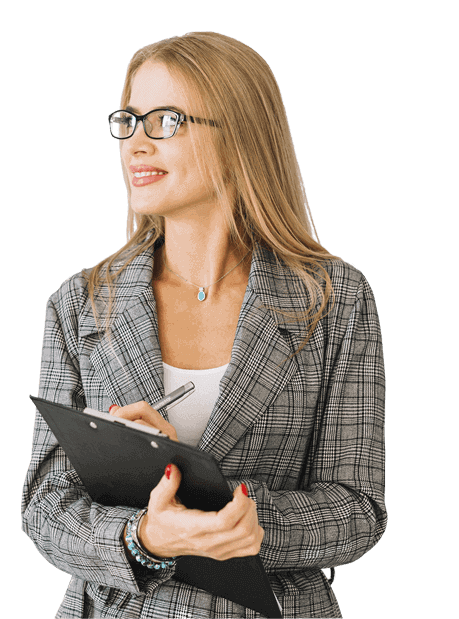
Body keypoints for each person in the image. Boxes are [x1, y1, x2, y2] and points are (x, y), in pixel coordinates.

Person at [21, 32, 387, 619]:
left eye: (166, 121)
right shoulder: (82, 304)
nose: (136, 144)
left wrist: (243, 519)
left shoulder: (333, 299)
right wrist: (145, 537)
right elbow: (45, 507)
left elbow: (359, 509)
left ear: (240, 136)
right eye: (128, 121)